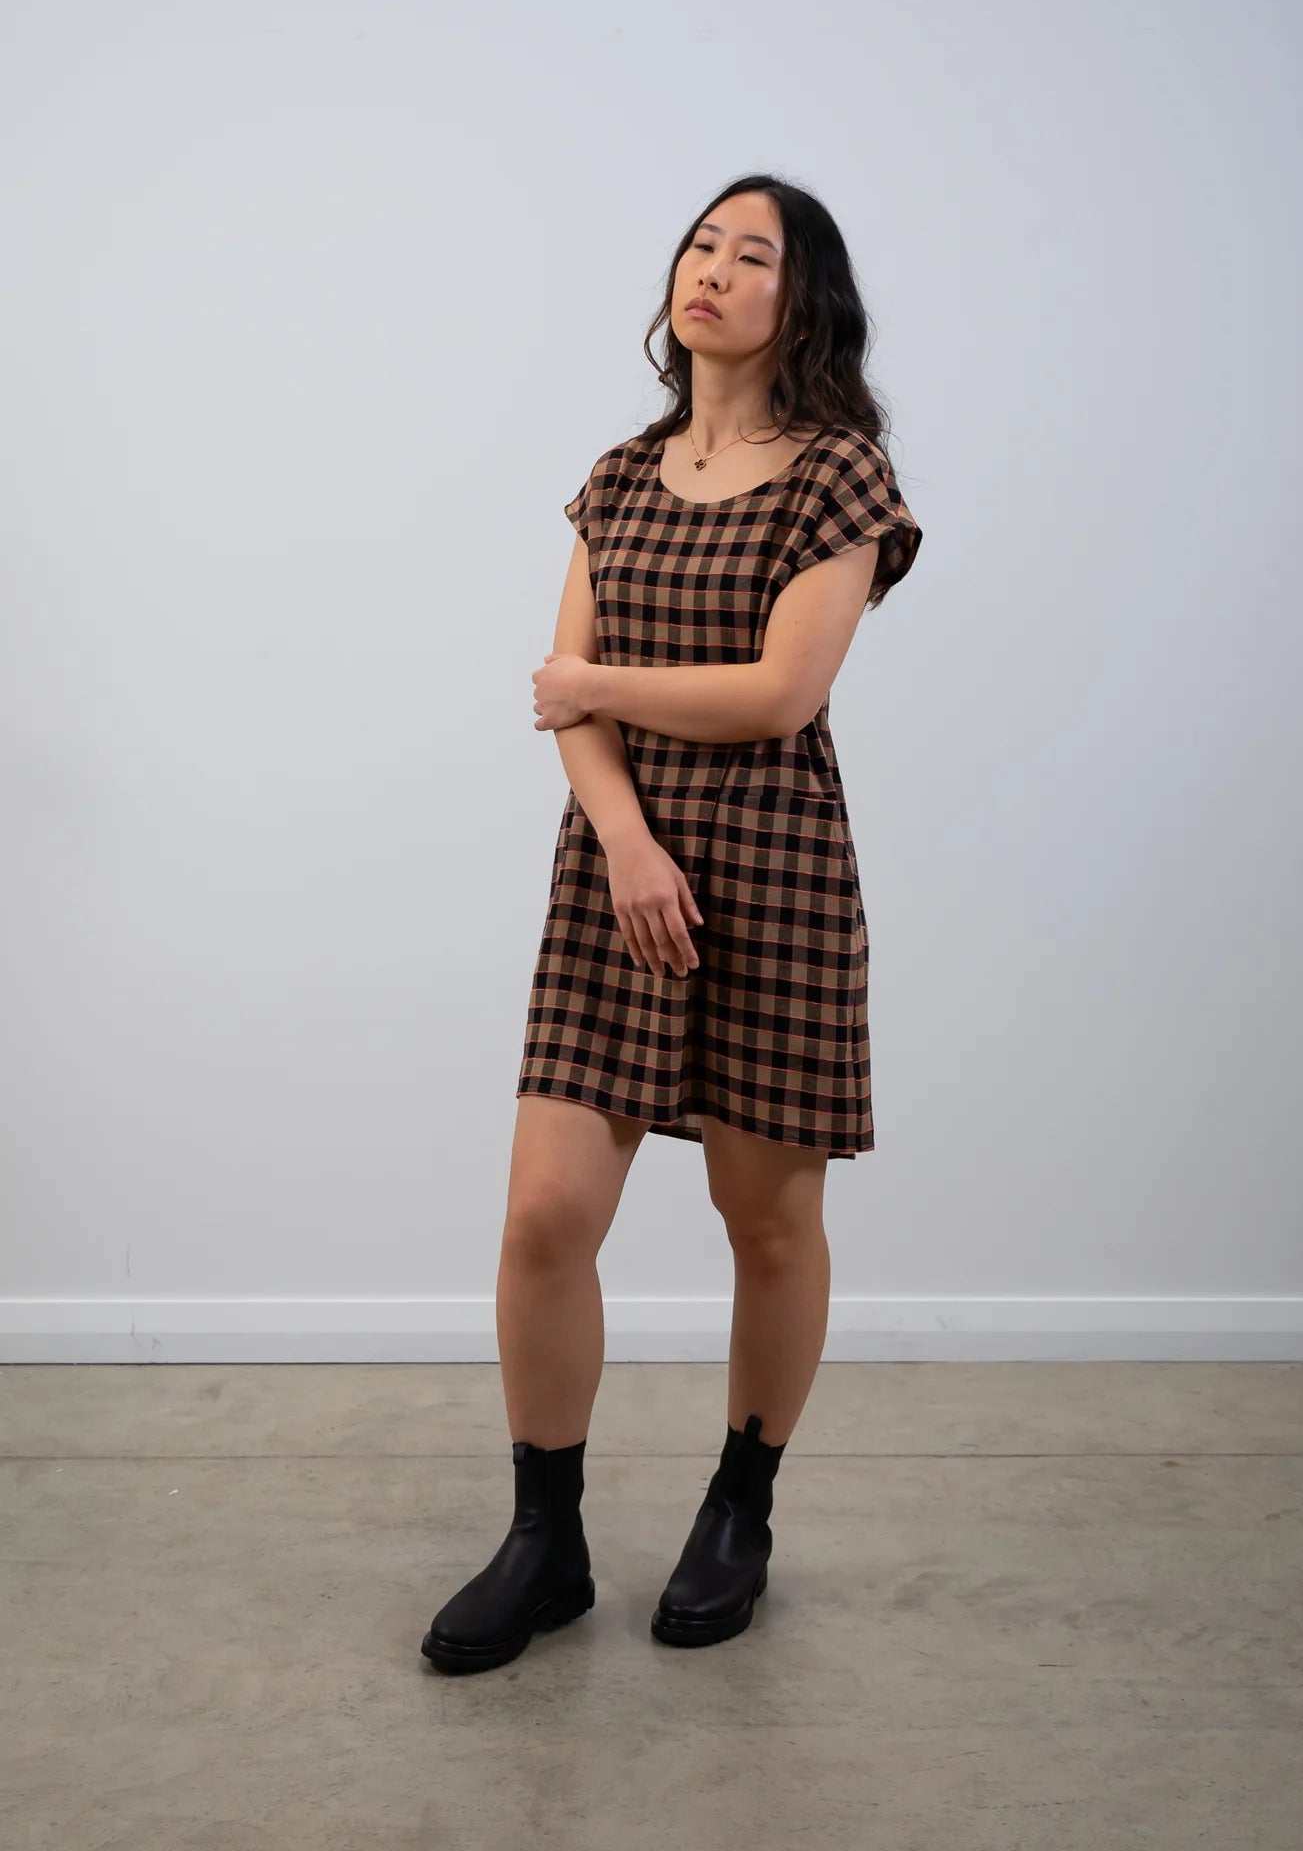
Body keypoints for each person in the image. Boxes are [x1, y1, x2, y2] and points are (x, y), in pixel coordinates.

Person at [422, 175, 923, 1674]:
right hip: (615, 878)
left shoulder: (840, 478)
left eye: (748, 254)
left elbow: (779, 693)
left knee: (764, 1221)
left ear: (800, 299)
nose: (709, 270)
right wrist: (628, 837)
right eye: (699, 244)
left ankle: (738, 1510)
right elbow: (557, 701)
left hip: (770, 875)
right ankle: (544, 1539)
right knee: (543, 1217)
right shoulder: (619, 478)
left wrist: (601, 694)